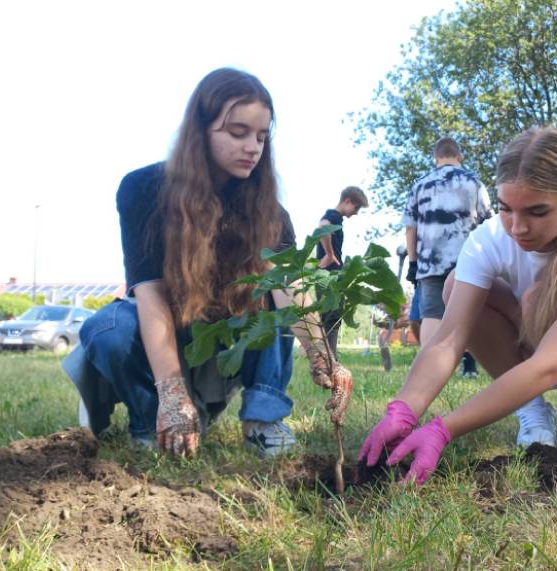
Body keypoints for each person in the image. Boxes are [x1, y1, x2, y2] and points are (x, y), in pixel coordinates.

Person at [358, 127, 557, 484]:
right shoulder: (490, 238)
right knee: (458, 288)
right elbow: (448, 339)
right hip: (545, 335)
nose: (517, 227)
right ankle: (531, 409)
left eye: (537, 211)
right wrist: (404, 409)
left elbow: (548, 365)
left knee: (544, 296)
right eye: (505, 209)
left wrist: (443, 429)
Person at [62, 68, 352, 459]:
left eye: (262, 137)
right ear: (201, 129)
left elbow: (290, 288)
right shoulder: (144, 190)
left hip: (224, 337)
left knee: (270, 302)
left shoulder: (270, 212)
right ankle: (153, 421)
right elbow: (149, 294)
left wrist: (323, 359)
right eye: (238, 132)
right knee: (108, 328)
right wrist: (172, 394)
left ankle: (263, 420)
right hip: (167, 331)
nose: (253, 147)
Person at [402, 136, 492, 371]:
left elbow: (410, 226)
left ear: (436, 157)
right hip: (468, 261)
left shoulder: (420, 184)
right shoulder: (474, 183)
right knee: (470, 313)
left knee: (432, 314)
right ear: (459, 156)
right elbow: (488, 222)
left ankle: (428, 370)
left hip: (430, 262)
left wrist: (413, 262)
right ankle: (470, 366)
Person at [315, 186, 369, 356]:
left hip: (331, 274)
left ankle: (330, 356)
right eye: (356, 207)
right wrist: (330, 254)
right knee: (331, 316)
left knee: (332, 316)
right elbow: (322, 227)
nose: (356, 212)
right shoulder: (333, 216)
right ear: (346, 201)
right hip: (329, 276)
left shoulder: (336, 218)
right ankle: (330, 358)